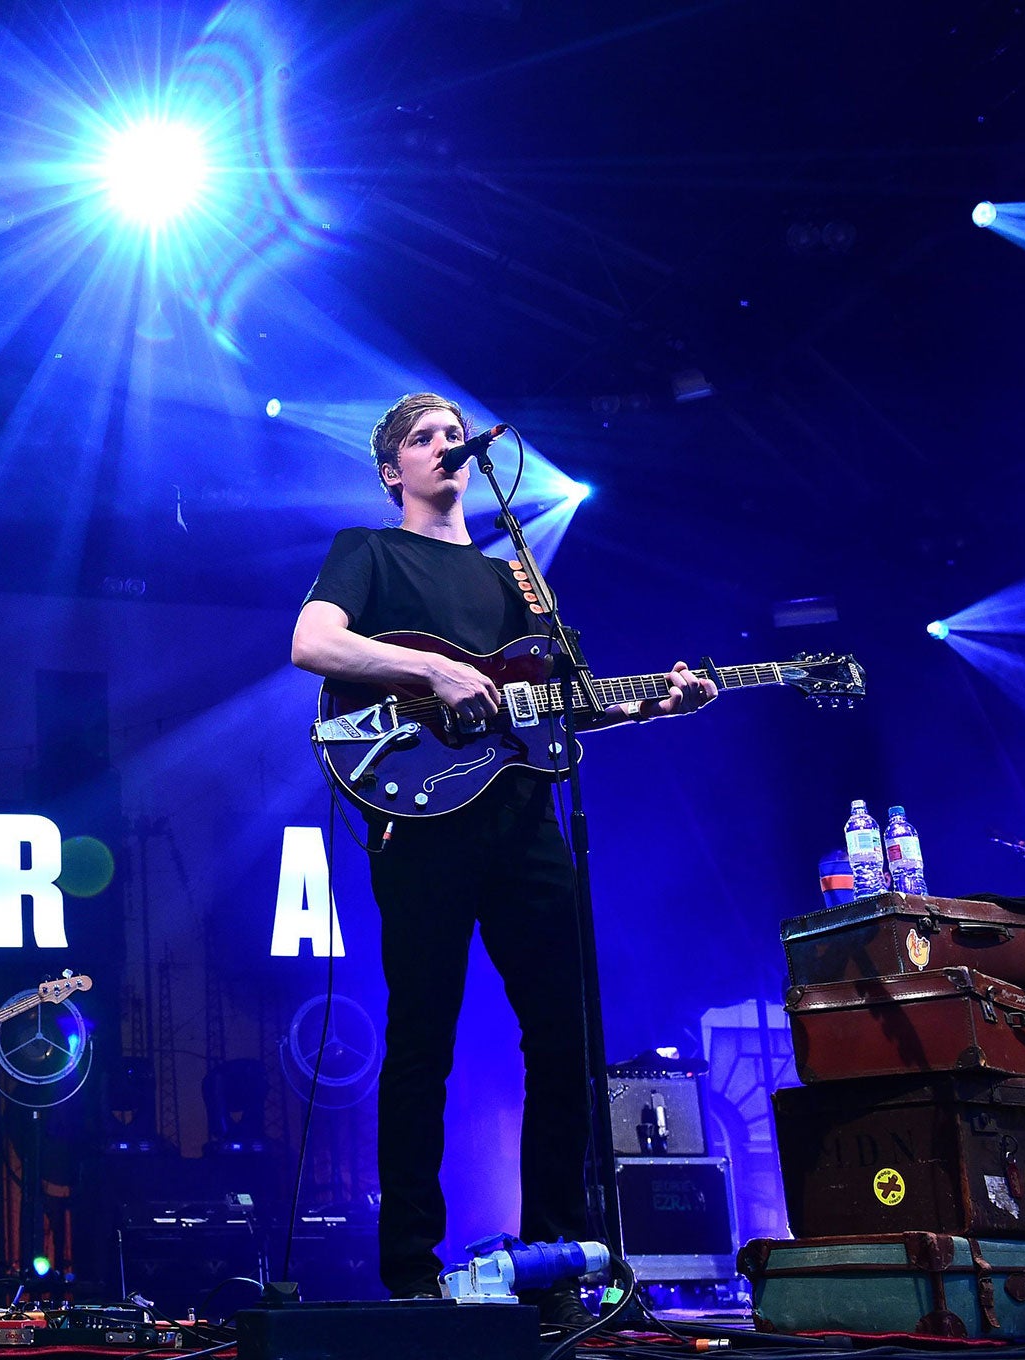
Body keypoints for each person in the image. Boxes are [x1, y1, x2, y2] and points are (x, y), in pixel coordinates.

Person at [289, 393, 717, 1320]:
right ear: (392, 469)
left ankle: (557, 1258)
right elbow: (311, 643)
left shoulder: (519, 577)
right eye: (425, 437)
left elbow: (562, 703)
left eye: (454, 431)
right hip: (425, 819)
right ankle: (410, 1267)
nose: (448, 443)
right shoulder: (369, 550)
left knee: (564, 1038)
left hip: (525, 820)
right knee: (422, 1042)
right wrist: (434, 672)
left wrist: (655, 704)